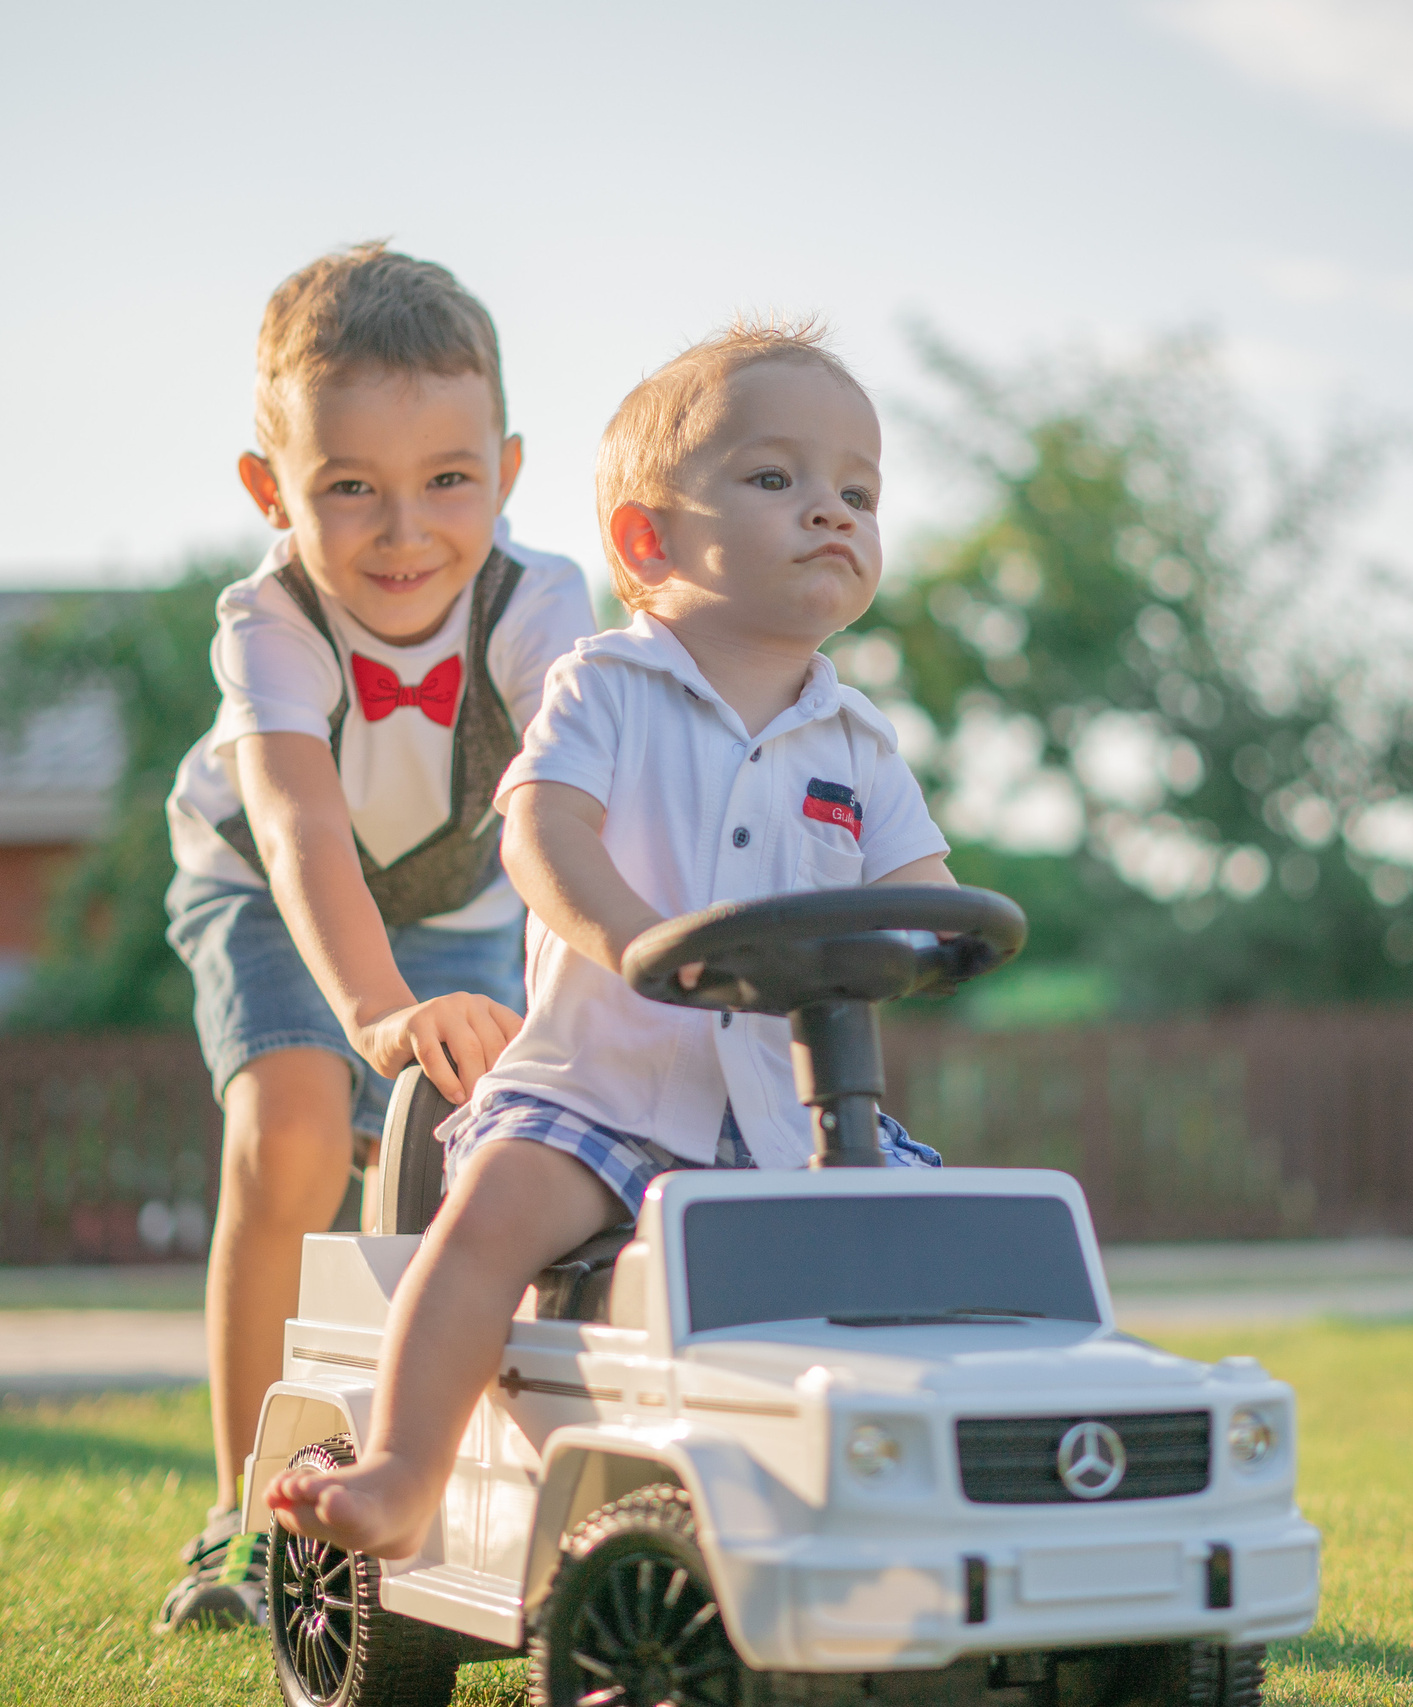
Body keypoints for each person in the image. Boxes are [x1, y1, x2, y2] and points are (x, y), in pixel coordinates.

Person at [263, 318, 953, 1560]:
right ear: (648, 539)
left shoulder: (860, 745)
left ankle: (937, 1489)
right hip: (602, 1100)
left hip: (797, 1120)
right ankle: (405, 1472)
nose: (831, 511)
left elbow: (922, 890)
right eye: (775, 478)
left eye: (859, 490)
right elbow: (543, 834)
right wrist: (642, 939)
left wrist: (937, 943)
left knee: (956, 1237)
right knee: (490, 1221)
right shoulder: (604, 687)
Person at [154, 243, 594, 1630]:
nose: (405, 531)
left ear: (508, 469)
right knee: (291, 1129)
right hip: (270, 889)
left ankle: (433, 1482)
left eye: (447, 480)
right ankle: (239, 1518)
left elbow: (590, 803)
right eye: (351, 487)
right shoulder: (269, 620)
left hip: (469, 906)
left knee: (488, 1171)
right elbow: (295, 822)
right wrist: (374, 1017)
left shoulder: (544, 608)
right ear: (269, 491)